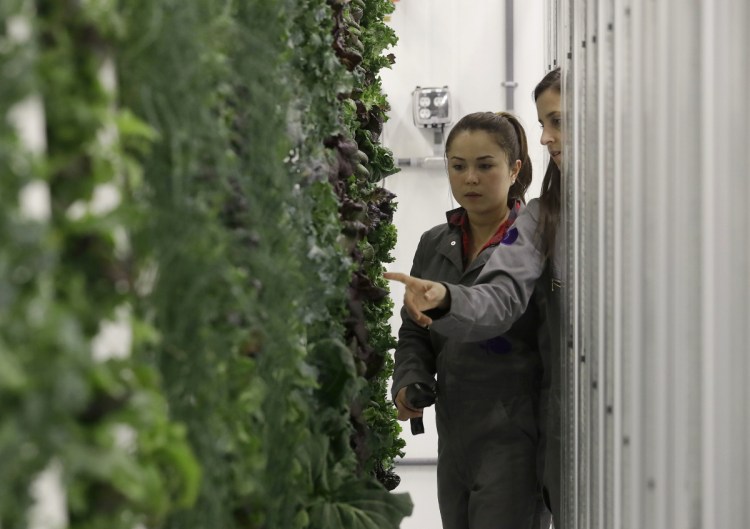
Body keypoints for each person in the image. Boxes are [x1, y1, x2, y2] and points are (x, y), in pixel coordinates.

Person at [386, 67, 564, 527]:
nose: (470, 179)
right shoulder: (434, 243)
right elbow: (413, 334)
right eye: (458, 166)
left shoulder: (531, 238)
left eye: (485, 166)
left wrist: (445, 297)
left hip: (513, 438)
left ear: (514, 170)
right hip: (455, 436)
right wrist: (408, 381)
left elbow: (495, 305)